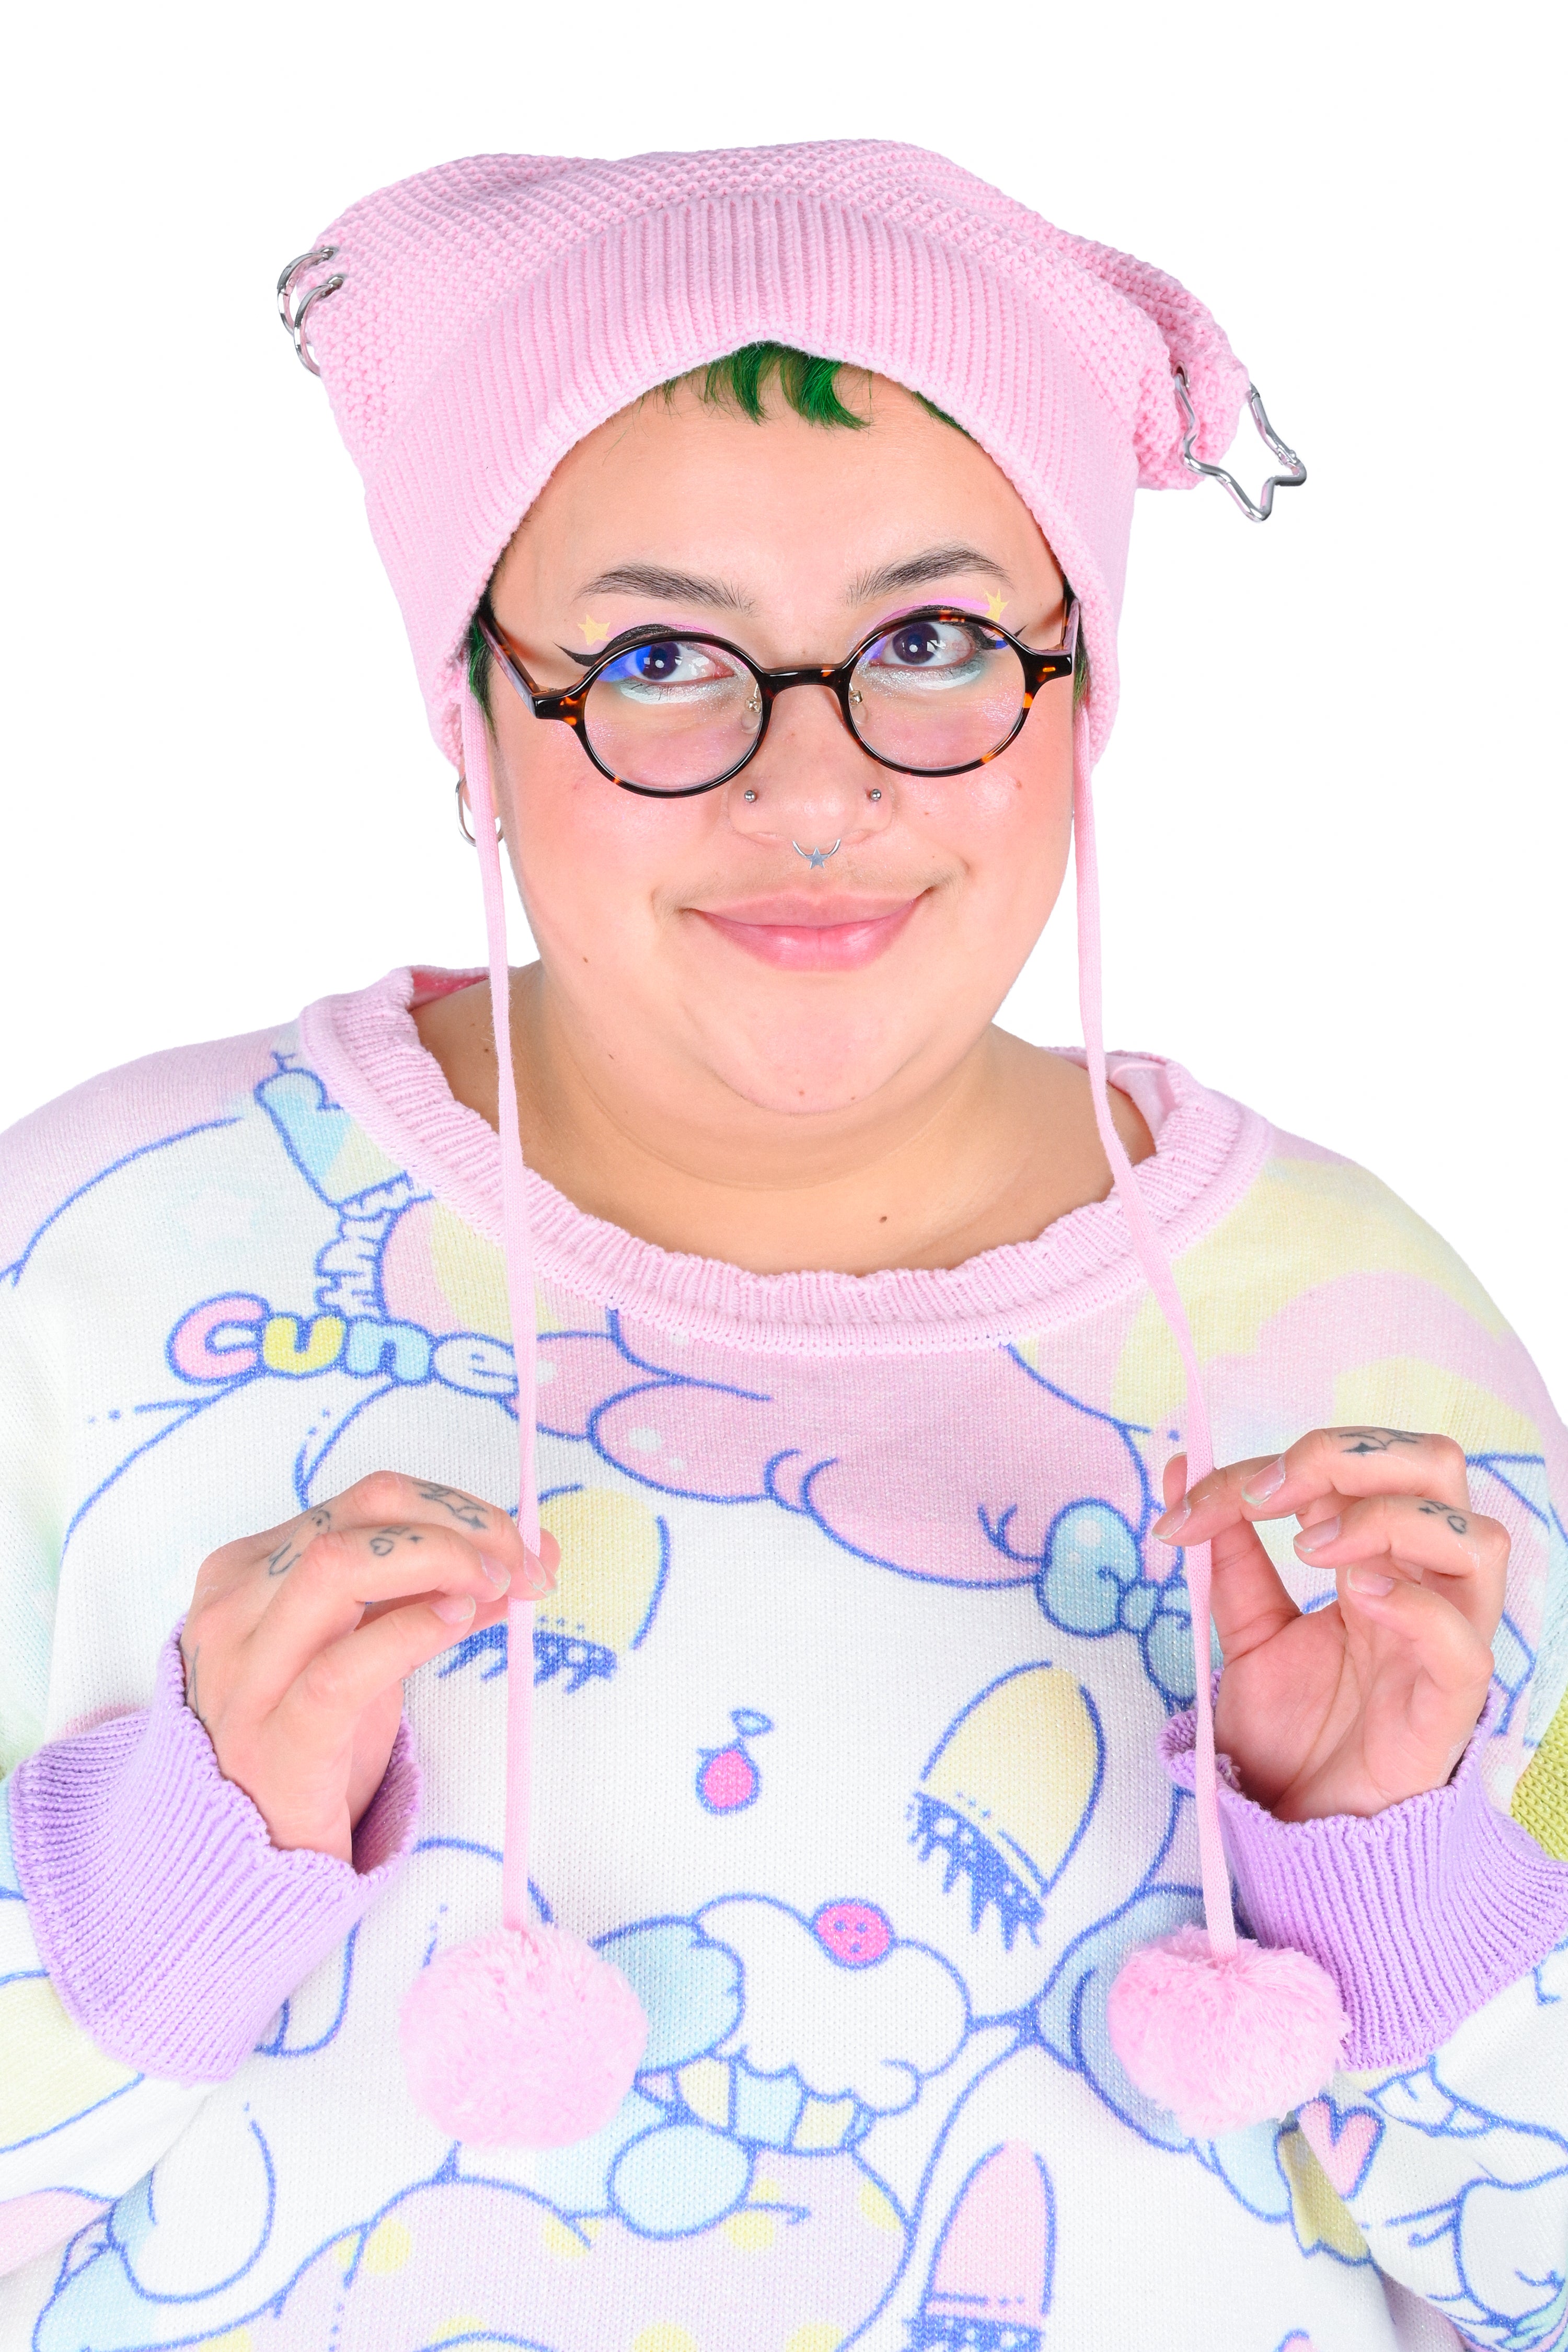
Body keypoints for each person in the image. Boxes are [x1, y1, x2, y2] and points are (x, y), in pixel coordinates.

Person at [1, 141, 1564, 2352]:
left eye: (933, 644)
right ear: (473, 716)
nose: (813, 794)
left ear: (1083, 694)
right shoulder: (107, 1267)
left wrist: (1395, 1881)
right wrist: (156, 1885)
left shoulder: (1353, 1357)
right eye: (658, 656)